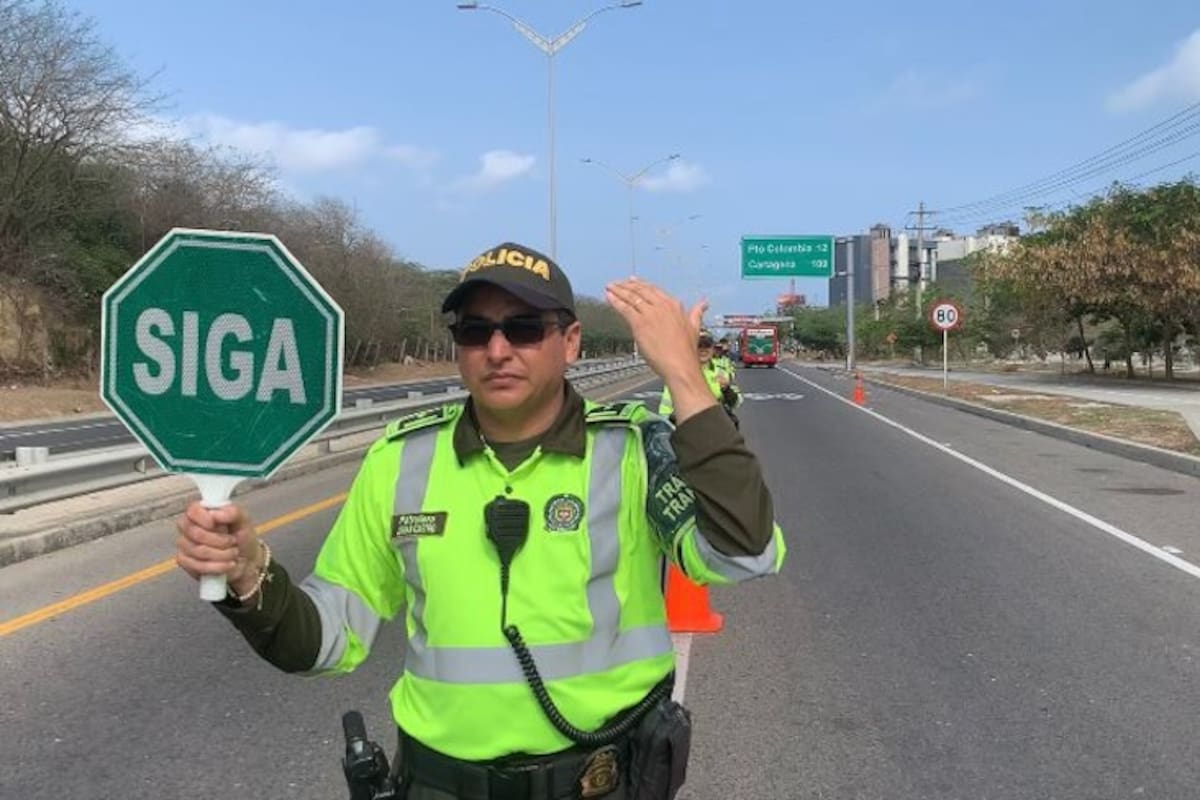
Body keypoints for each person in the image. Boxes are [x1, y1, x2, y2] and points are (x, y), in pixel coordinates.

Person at [175, 241, 785, 800]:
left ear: (570, 342)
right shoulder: (400, 462)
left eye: (523, 328)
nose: (498, 350)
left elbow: (741, 552)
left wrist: (683, 375)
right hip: (439, 785)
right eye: (476, 331)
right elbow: (326, 640)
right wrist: (252, 578)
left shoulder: (633, 452)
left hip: (600, 783)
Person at [657, 329, 741, 427]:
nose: (703, 349)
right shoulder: (679, 373)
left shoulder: (722, 372)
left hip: (716, 428)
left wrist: (727, 390)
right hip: (687, 428)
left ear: (713, 348)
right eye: (699, 345)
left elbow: (736, 403)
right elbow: (666, 408)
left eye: (707, 345)